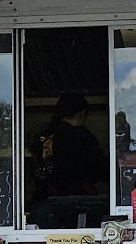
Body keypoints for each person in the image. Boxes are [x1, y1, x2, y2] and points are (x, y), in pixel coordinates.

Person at [35, 92, 107, 227]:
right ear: (82, 113)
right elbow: (101, 169)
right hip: (80, 202)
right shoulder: (84, 137)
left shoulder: (45, 137)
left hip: (46, 202)